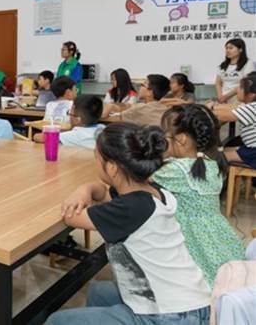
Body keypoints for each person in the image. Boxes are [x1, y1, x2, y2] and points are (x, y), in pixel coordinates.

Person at [46, 123, 211, 325]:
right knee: (99, 292)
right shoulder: (151, 193)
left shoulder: (130, 209)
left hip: (171, 316)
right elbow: (103, 192)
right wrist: (85, 189)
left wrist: (77, 195)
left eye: (96, 158)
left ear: (112, 168)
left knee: (56, 321)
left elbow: (71, 217)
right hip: (192, 302)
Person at [156, 104, 244, 287]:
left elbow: (140, 175)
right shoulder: (211, 163)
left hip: (194, 240)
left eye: (164, 134)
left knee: (201, 282)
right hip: (220, 237)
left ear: (180, 139)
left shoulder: (177, 169)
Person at [210, 73, 256, 166]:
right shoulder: (250, 105)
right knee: (225, 149)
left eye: (241, 88)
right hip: (250, 148)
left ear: (251, 95)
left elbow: (223, 116)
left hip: (253, 152)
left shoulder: (252, 107)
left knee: (216, 157)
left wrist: (210, 107)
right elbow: (231, 107)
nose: (237, 89)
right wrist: (214, 106)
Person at [35, 95, 104, 149]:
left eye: (69, 113)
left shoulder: (74, 136)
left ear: (77, 120)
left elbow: (39, 138)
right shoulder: (102, 128)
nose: (69, 116)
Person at [102, 74, 170, 126]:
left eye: (142, 85)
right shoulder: (165, 109)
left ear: (150, 92)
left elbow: (105, 118)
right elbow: (129, 107)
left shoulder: (140, 109)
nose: (140, 87)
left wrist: (110, 106)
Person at [216, 38, 252, 104]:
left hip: (238, 97)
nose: (228, 50)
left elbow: (244, 84)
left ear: (240, 49)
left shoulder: (248, 64)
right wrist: (220, 96)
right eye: (226, 48)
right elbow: (218, 82)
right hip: (223, 98)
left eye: (231, 48)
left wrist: (226, 96)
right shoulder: (222, 65)